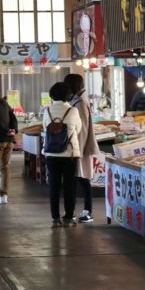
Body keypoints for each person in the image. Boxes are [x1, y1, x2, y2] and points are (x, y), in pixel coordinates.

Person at [43, 82, 82, 227]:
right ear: (68, 95)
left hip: (51, 154)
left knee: (54, 186)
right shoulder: (72, 111)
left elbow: (45, 129)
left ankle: (55, 218)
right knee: (69, 186)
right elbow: (78, 129)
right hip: (69, 154)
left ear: (52, 95)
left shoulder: (46, 111)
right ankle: (69, 216)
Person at [64, 73, 99, 223]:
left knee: (83, 179)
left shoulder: (80, 103)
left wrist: (76, 151)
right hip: (78, 148)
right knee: (80, 179)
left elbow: (82, 129)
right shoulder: (78, 101)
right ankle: (80, 211)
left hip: (80, 148)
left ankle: (88, 211)